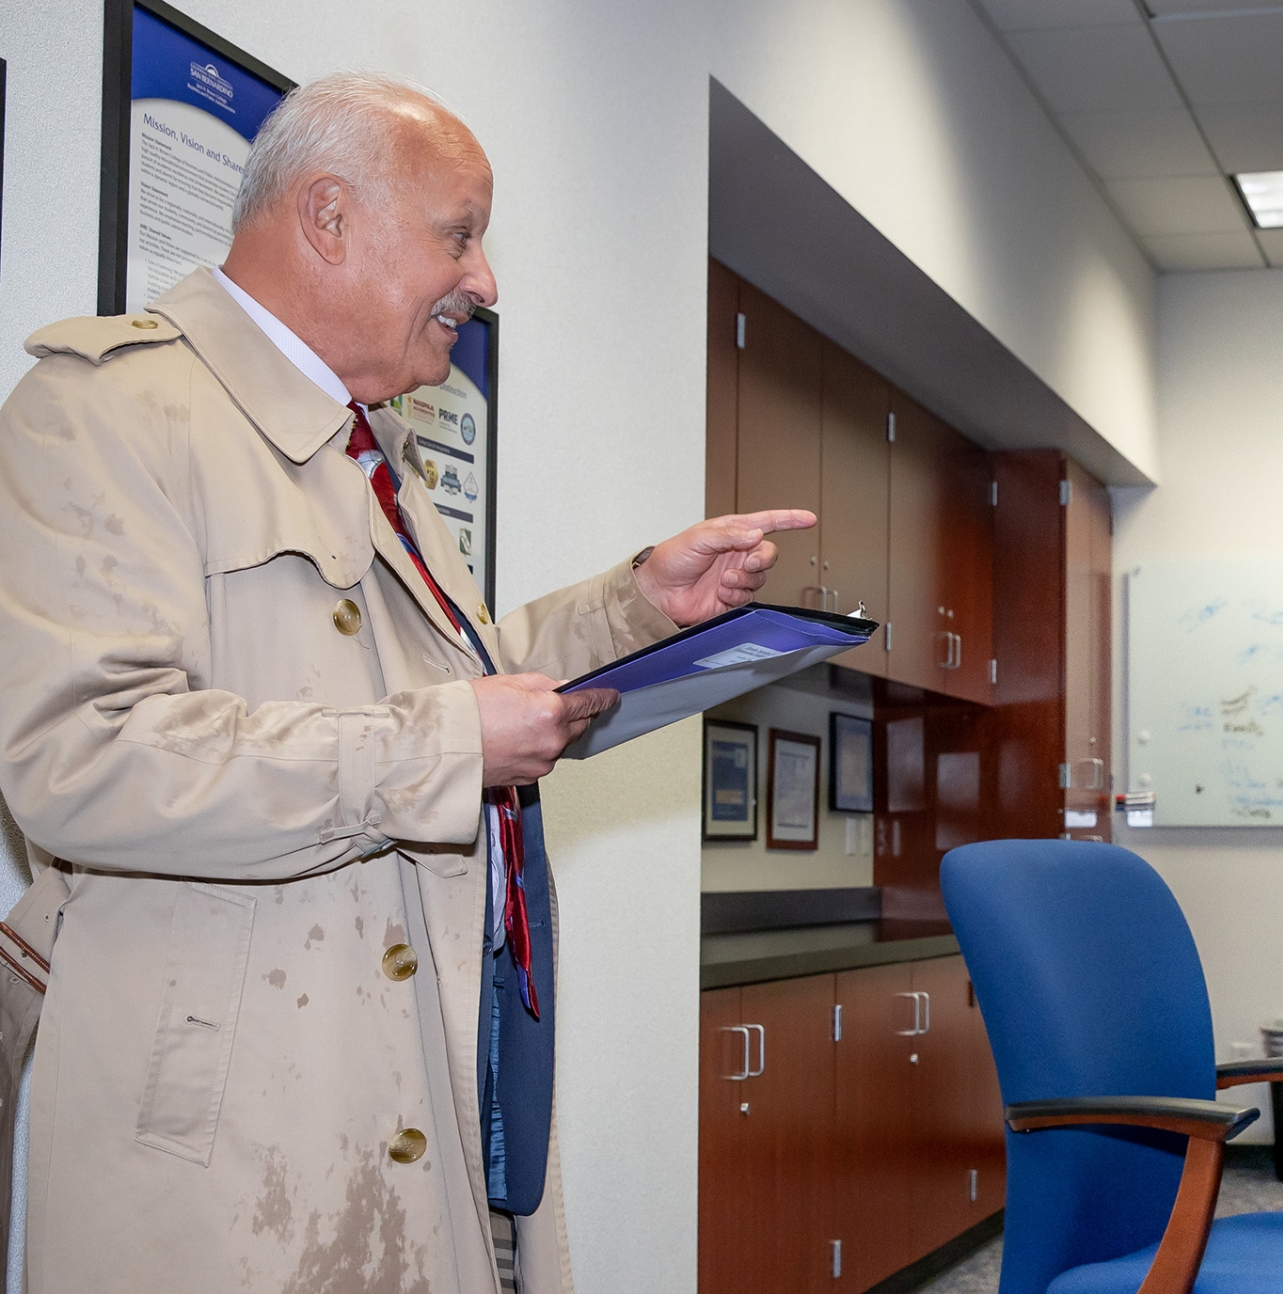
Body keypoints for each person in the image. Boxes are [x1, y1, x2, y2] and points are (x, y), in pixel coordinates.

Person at [0, 72, 812, 1293]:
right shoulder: (111, 409)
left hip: (403, 1081)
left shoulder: (369, 450)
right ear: (329, 218)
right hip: (237, 1152)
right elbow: (82, 760)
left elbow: (463, 679)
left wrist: (642, 603)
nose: (485, 283)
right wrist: (437, 747)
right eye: (462, 233)